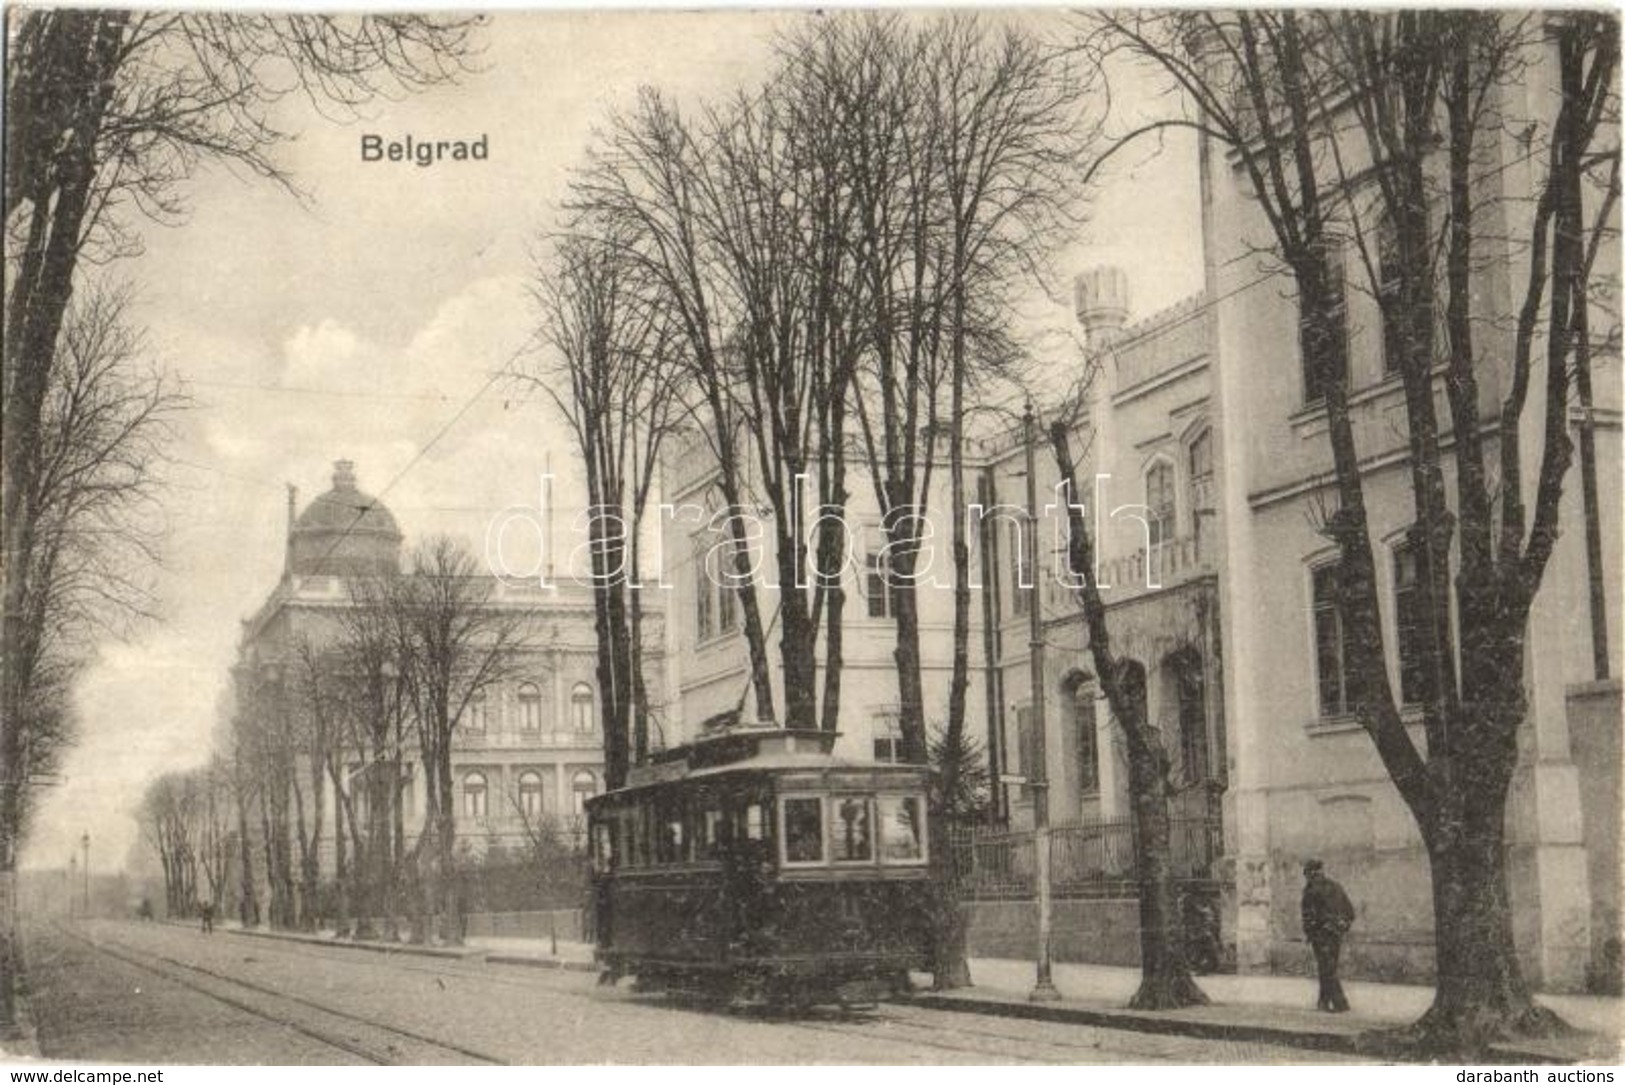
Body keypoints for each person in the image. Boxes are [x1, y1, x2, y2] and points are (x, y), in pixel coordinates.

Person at [1301, 859, 1355, 1012]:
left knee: (1327, 969)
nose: (1308, 877)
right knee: (1328, 967)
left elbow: (1308, 916)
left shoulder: (1311, 889)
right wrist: (1342, 926)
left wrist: (1310, 933)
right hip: (1336, 935)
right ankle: (1323, 1002)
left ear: (1311, 873)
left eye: (1308, 874)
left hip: (1321, 936)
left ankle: (1341, 1004)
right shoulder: (1336, 887)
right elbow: (1350, 912)